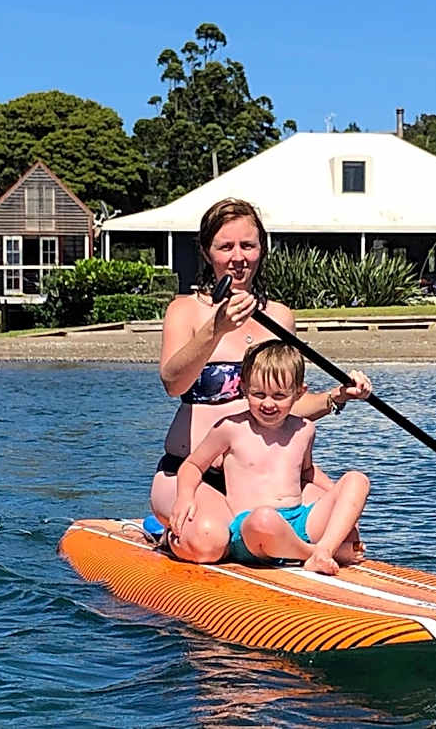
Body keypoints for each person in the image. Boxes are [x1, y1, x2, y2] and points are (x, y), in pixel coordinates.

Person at [150, 197, 372, 564]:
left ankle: (308, 551)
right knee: (208, 542)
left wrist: (338, 396)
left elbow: (288, 404)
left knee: (346, 530)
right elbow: (172, 382)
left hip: (265, 482)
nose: (238, 257)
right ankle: (170, 534)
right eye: (225, 246)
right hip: (194, 475)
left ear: (261, 250)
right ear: (208, 253)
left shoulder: (280, 317)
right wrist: (215, 330)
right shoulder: (185, 310)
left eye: (247, 246)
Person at [170, 340, 369, 574]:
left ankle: (322, 549)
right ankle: (321, 553)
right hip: (252, 530)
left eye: (279, 396)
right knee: (265, 519)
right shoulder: (230, 428)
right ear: (243, 389)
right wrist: (185, 497)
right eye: (258, 394)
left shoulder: (304, 429)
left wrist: (339, 500)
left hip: (299, 522)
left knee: (357, 479)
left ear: (298, 393)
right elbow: (193, 465)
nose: (268, 403)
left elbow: (306, 473)